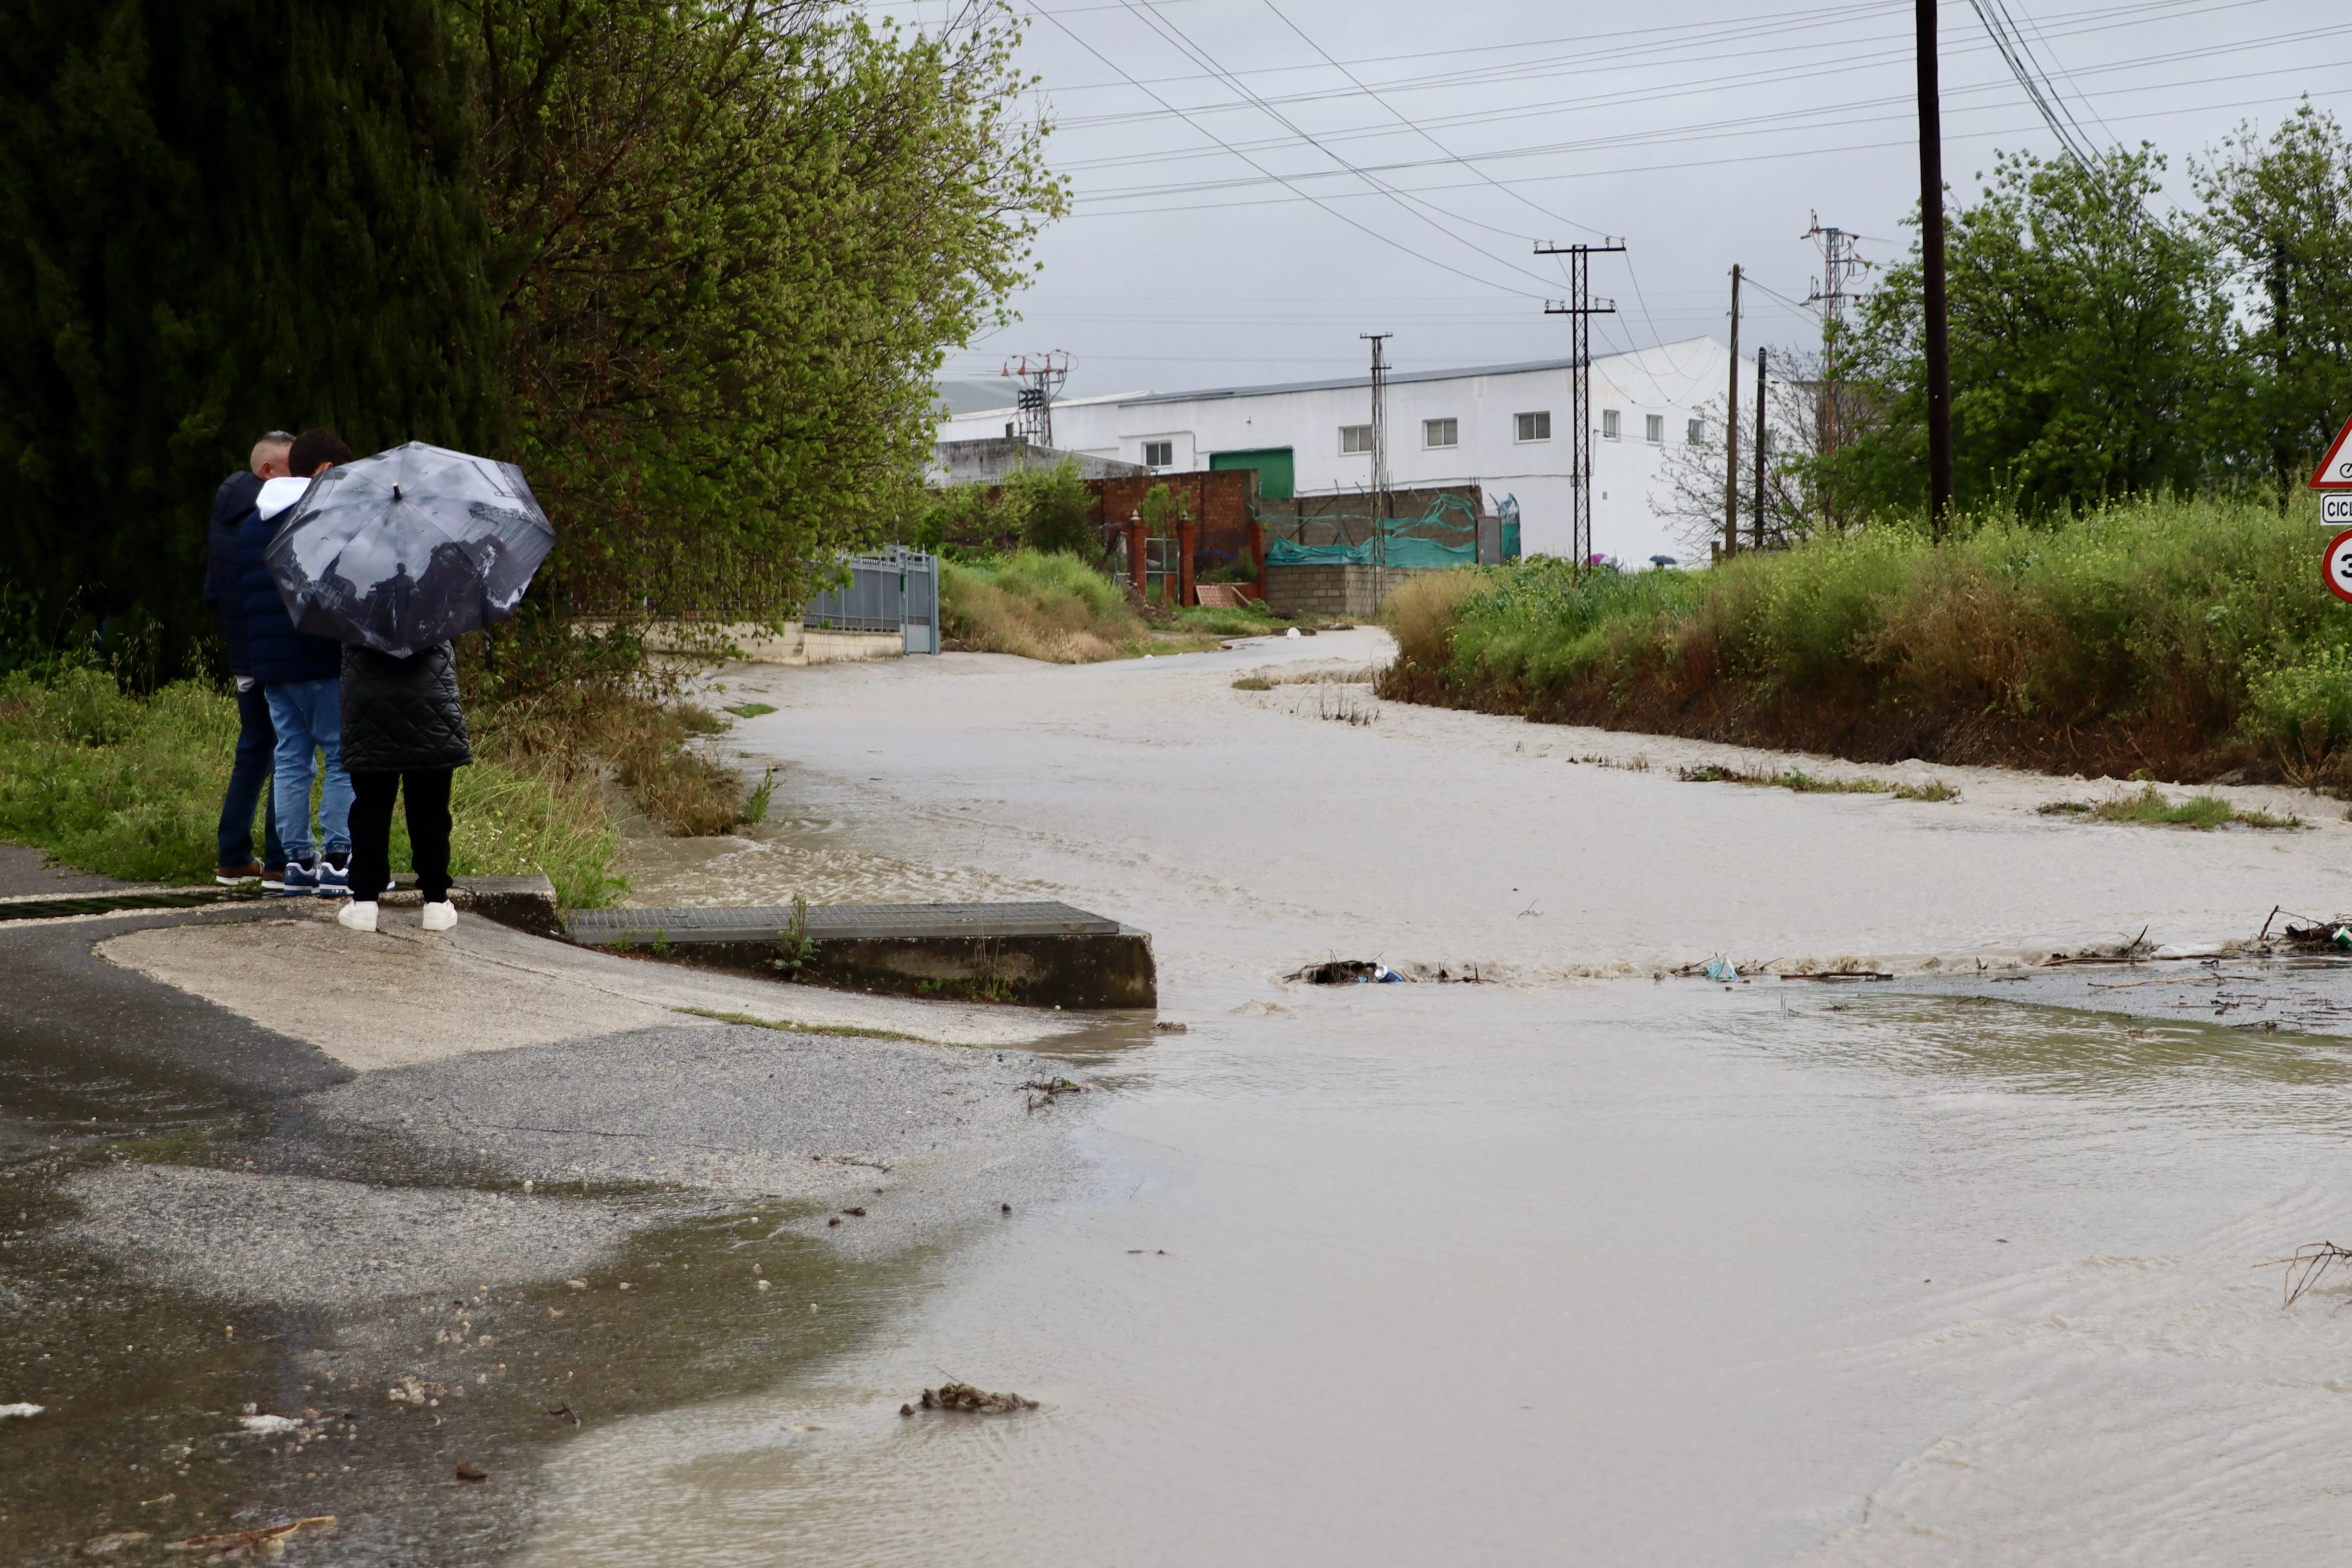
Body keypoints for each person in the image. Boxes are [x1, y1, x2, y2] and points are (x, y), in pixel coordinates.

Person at [235, 426, 356, 897]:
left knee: (290, 761)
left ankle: (297, 864)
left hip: (271, 664)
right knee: (342, 757)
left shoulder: (251, 524)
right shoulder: (322, 516)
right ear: (325, 469)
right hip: (321, 658)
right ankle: (341, 860)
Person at [203, 431, 294, 887]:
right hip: (277, 652)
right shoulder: (268, 516)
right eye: (291, 467)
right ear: (268, 471)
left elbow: (213, 592)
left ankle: (233, 854)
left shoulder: (224, 516)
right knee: (289, 751)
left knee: (254, 749)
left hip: (243, 653)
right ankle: (280, 860)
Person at [334, 634, 471, 934]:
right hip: (431, 705)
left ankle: (365, 903)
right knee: (431, 811)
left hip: (370, 708)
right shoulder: (434, 597)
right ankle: (436, 902)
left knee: (370, 808)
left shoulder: (356, 598)